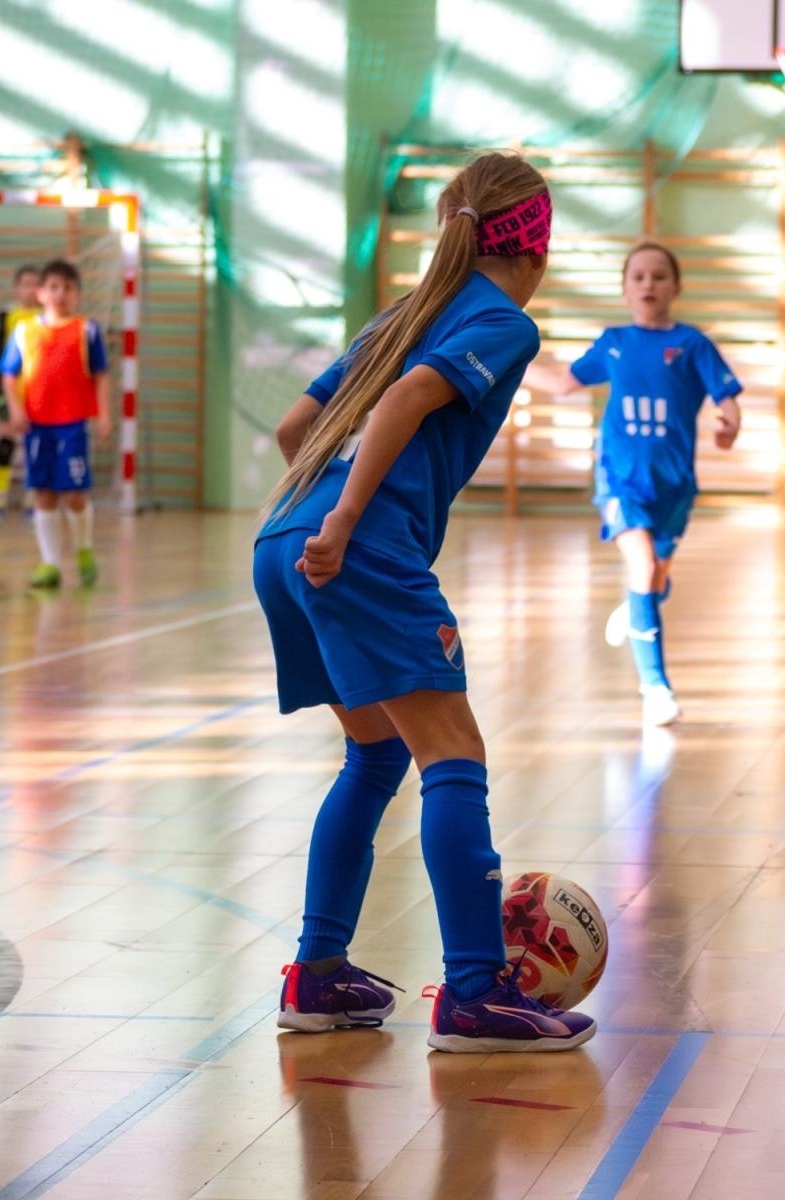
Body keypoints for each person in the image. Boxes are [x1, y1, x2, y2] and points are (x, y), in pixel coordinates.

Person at [255, 153, 594, 1053]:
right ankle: (475, 993)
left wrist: (314, 519)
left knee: (373, 753)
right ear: (538, 245)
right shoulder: (502, 321)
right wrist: (351, 520)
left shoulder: (403, 314)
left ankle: (318, 974)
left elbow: (295, 429)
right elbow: (409, 398)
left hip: (281, 538)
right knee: (454, 750)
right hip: (349, 545)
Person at [528, 241, 742, 726]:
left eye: (659, 276)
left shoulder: (692, 345)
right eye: (639, 276)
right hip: (619, 480)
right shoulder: (613, 342)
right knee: (643, 568)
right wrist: (501, 363)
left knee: (655, 579)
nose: (649, 284)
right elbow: (563, 382)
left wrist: (730, 422)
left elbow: (726, 396)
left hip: (674, 485)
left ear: (677, 287)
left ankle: (636, 608)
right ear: (625, 288)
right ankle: (655, 688)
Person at [0, 259, 112, 589]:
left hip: (73, 424)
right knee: (43, 493)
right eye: (53, 287)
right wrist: (15, 410)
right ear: (40, 293)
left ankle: (83, 550)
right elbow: (8, 376)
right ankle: (49, 564)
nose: (60, 293)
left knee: (74, 494)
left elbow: (101, 376)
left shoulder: (87, 331)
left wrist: (104, 414)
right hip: (37, 425)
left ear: (77, 294)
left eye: (68, 288)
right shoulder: (24, 331)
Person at [0, 265, 41, 526]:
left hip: (38, 392)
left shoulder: (47, 318)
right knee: (6, 442)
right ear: (16, 288)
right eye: (24, 284)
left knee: (36, 446)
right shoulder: (7, 316)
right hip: (10, 390)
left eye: (34, 284)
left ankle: (31, 503)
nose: (29, 289)